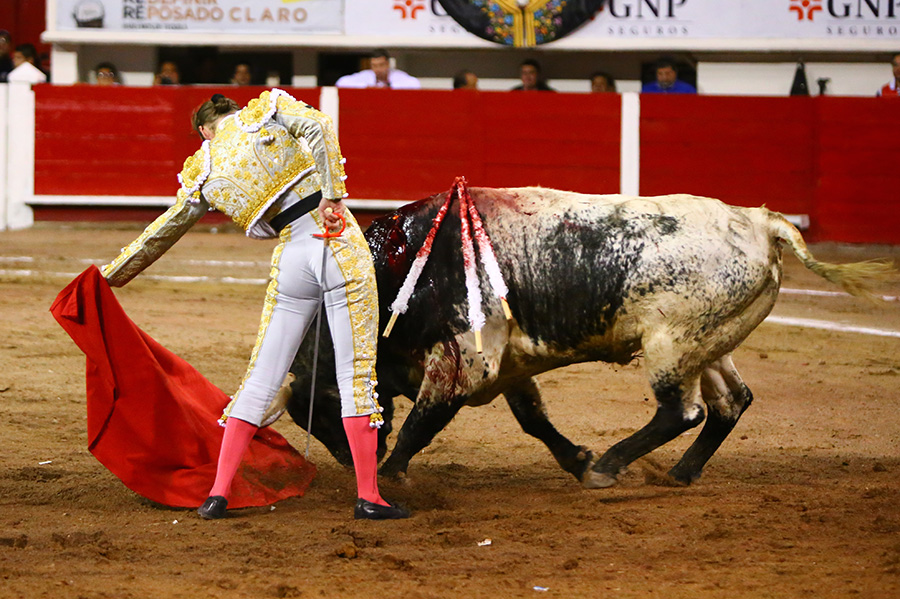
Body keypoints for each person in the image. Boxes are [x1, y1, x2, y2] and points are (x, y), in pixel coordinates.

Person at [100, 90, 410, 521]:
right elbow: (320, 126)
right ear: (231, 113)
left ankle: (218, 494)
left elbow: (163, 231)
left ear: (205, 131)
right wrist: (333, 194)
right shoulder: (264, 112)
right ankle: (368, 497)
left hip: (291, 258)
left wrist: (111, 274)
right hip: (334, 236)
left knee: (260, 378)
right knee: (355, 373)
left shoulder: (205, 167)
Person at [335, 48, 421, 89]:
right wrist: (366, 87)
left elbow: (415, 84)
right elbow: (341, 82)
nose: (378, 69)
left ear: (387, 64)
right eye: (374, 66)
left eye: (381, 65)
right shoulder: (367, 75)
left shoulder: (397, 75)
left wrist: (389, 87)